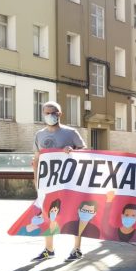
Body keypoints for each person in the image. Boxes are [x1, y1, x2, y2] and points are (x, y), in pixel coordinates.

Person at [31, 101, 86, 262]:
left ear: (59, 114)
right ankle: (49, 249)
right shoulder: (39, 135)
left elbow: (85, 151)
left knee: (75, 214)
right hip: (48, 182)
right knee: (48, 213)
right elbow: (37, 158)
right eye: (46, 113)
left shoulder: (70, 132)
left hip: (70, 182)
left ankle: (77, 249)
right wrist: (36, 180)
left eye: (52, 112)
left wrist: (72, 150)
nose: (49, 116)